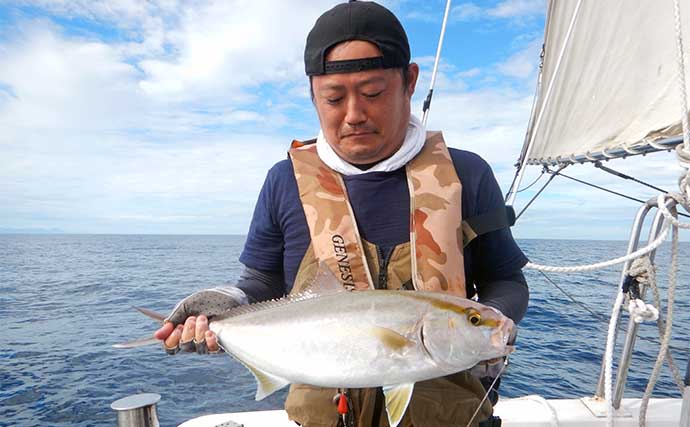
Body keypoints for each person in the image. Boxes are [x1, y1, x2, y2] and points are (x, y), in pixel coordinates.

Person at [155, 1, 529, 426]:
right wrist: (221, 307)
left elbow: (506, 278)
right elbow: (262, 281)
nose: (353, 115)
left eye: (373, 93)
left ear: (409, 81)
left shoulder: (466, 174)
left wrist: (496, 324)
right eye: (333, 98)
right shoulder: (285, 181)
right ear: (312, 94)